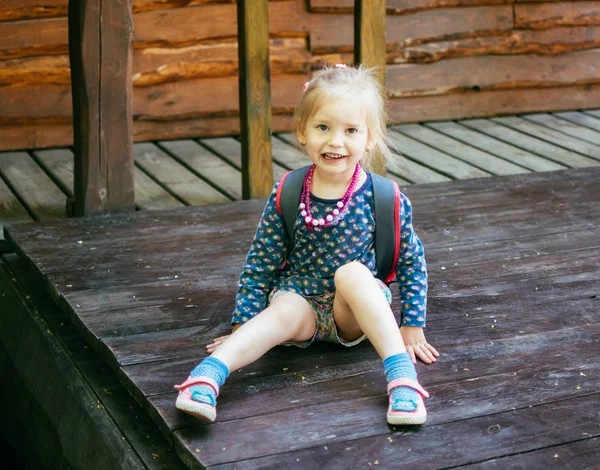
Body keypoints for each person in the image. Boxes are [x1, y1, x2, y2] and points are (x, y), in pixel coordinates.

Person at [174, 64, 439, 425]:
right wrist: (244, 325)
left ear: (370, 137)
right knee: (281, 310)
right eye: (323, 127)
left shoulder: (383, 196)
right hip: (302, 308)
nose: (335, 141)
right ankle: (206, 377)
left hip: (353, 312)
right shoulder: (289, 191)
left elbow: (411, 261)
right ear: (303, 131)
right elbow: (261, 262)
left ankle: (403, 379)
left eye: (350, 130)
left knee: (353, 274)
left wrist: (412, 324)